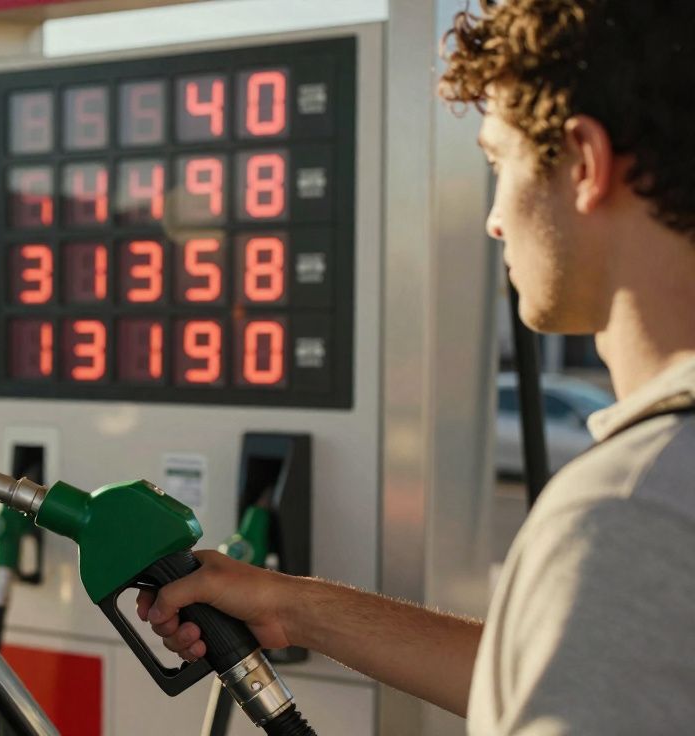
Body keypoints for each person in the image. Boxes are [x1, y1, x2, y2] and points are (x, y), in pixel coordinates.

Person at [137, 1, 695, 731]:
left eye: (501, 162)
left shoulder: (630, 512)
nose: (495, 217)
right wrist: (294, 606)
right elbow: (560, 670)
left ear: (584, 163)